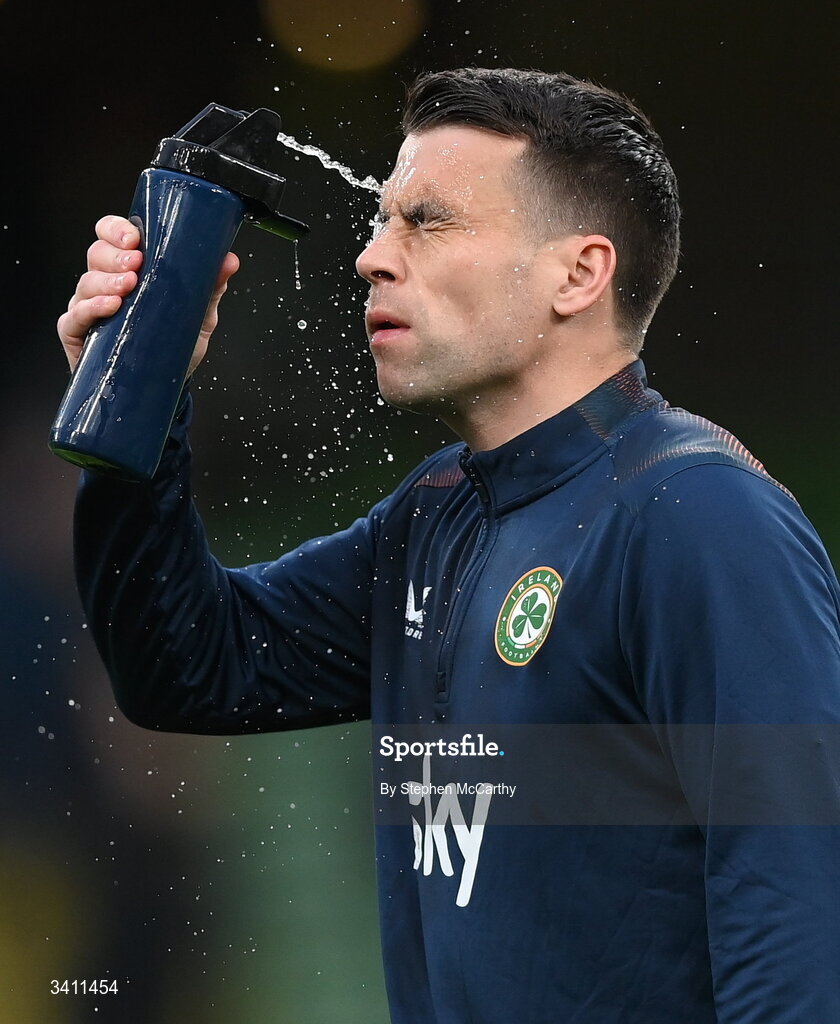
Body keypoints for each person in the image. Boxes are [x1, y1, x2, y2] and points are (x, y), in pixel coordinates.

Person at [58, 68, 840, 1022]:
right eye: (384, 220)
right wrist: (144, 395)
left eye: (426, 223)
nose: (372, 258)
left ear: (578, 273)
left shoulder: (699, 515)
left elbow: (796, 918)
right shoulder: (434, 517)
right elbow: (186, 666)